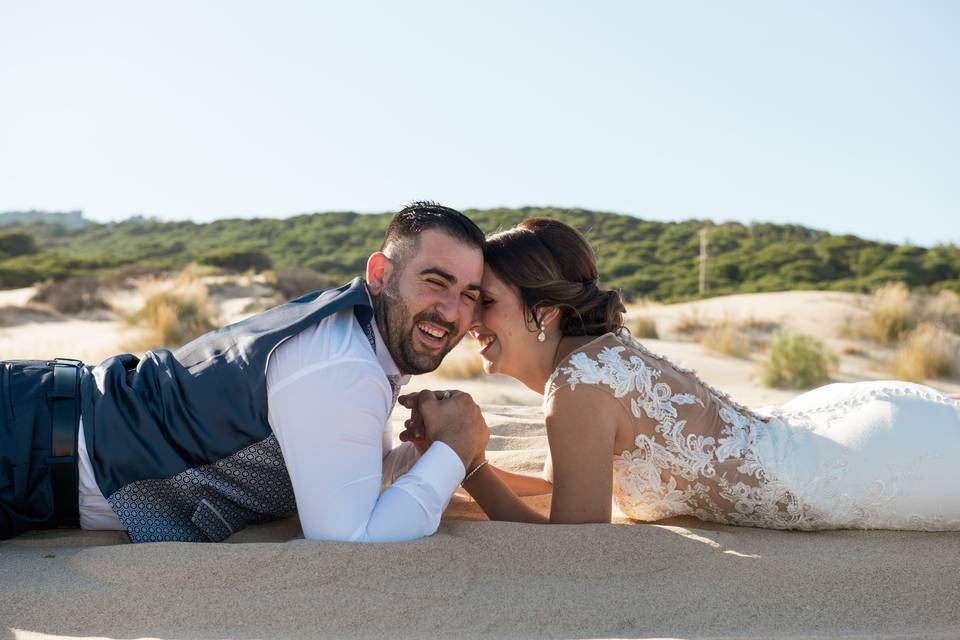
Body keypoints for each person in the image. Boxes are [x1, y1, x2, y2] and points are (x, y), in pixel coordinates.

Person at [401, 217, 960, 530]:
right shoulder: (591, 360)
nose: (470, 318)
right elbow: (560, 486)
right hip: (829, 436)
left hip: (853, 468)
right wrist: (453, 462)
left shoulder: (578, 387)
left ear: (542, 311)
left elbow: (573, 540)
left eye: (486, 301)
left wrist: (470, 466)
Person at [0, 201, 490, 543]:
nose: (450, 311)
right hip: (25, 442)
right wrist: (453, 449)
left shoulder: (357, 336)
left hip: (40, 428)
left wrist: (422, 455)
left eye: (468, 294)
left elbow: (334, 469)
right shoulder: (342, 364)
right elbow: (352, 538)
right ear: (381, 275)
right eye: (435, 282)